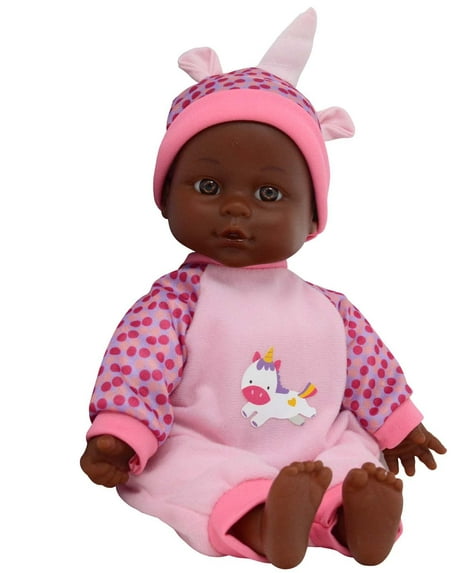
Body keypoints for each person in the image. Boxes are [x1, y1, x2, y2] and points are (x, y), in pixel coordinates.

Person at [80, 9, 446, 569]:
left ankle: (354, 515)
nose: (236, 207)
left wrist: (399, 426)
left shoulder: (331, 308)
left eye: (269, 194)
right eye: (209, 185)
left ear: (311, 219)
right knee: (179, 466)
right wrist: (122, 433)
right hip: (205, 441)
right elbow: (138, 368)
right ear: (167, 197)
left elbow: (371, 372)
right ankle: (268, 520)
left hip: (315, 442)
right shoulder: (175, 303)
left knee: (351, 450)